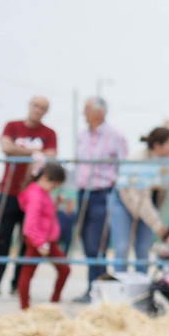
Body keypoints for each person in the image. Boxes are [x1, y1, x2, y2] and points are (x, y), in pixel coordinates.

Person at [0, 95, 58, 294]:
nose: (38, 110)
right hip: (9, 193)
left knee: (27, 241)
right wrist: (35, 152)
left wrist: (20, 151)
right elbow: (6, 147)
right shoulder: (12, 126)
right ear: (29, 105)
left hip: (33, 196)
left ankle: (18, 284)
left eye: (42, 107)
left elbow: (51, 155)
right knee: (2, 238)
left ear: (46, 111)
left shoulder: (49, 133)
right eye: (36, 105)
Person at [73, 96, 128, 300]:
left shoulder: (115, 136)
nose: (83, 113)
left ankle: (100, 291)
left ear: (99, 111)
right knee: (87, 244)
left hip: (102, 193)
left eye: (86, 108)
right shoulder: (83, 135)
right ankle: (93, 288)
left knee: (97, 244)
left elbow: (124, 166)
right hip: (82, 193)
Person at [111, 127, 169, 273]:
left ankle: (141, 284)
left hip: (149, 207)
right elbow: (139, 199)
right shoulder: (138, 162)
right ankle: (120, 281)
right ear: (157, 146)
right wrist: (156, 223)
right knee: (122, 247)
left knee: (143, 249)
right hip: (125, 203)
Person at [15, 162, 70, 310]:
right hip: (38, 240)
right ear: (45, 178)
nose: (54, 188)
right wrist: (39, 243)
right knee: (28, 273)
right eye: (54, 185)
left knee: (64, 269)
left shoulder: (43, 193)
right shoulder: (36, 194)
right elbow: (31, 223)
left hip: (48, 239)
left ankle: (54, 303)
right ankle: (25, 308)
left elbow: (47, 216)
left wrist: (57, 203)